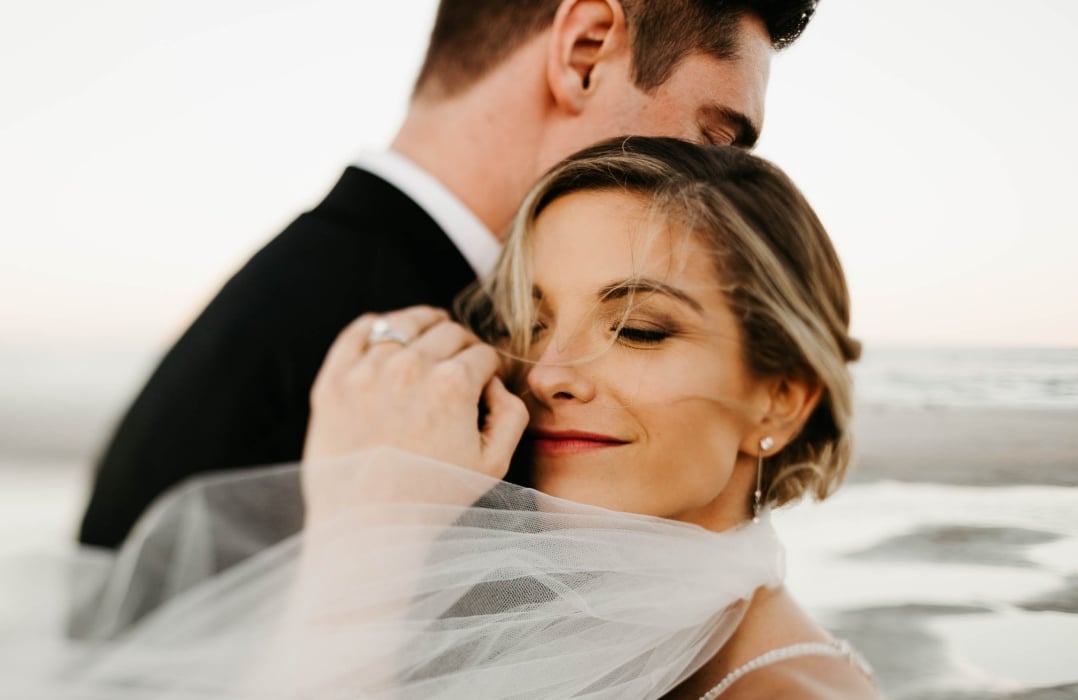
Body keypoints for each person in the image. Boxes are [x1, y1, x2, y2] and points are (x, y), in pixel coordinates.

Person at [6, 138, 872, 698]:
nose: (551, 375)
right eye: (530, 325)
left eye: (638, 329)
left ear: (780, 399)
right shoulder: (573, 637)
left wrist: (364, 534)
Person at [79, 0, 822, 550]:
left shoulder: (305, 287)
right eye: (714, 139)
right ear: (586, 52)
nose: (713, 189)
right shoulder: (399, 357)